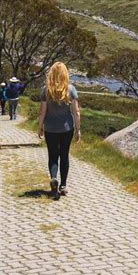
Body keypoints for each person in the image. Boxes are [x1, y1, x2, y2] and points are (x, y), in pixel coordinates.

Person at [38, 62, 81, 199]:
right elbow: (76, 112)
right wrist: (78, 129)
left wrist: (40, 127)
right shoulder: (71, 89)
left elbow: (42, 112)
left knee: (53, 155)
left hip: (50, 128)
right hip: (66, 128)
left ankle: (54, 177)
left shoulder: (46, 90)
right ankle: (63, 185)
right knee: (64, 155)